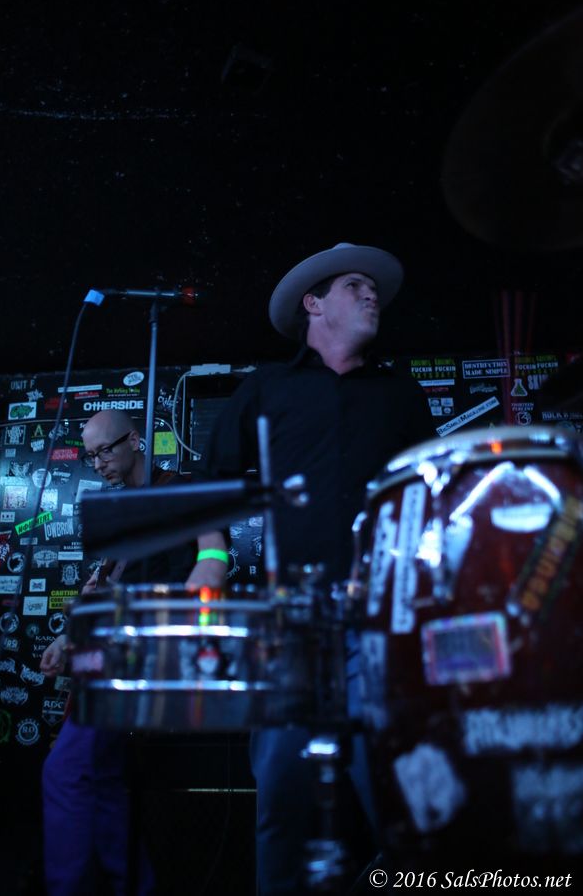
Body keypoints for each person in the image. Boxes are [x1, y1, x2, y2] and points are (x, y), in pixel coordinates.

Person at [204, 242, 437, 895]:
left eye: (374, 289)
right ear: (314, 303)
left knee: (399, 807)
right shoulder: (266, 387)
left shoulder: (399, 393)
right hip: (288, 626)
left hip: (380, 625)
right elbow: (213, 484)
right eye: (355, 285)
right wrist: (211, 559)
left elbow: (432, 495)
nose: (371, 295)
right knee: (284, 807)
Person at [40, 409, 228, 896]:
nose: (98, 462)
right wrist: (68, 637)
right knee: (103, 783)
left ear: (136, 441)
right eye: (90, 456)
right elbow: (104, 592)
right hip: (114, 656)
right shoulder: (125, 513)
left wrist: (188, 598)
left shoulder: (180, 489)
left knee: (66, 774)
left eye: (105, 450)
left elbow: (210, 561)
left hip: (152, 657)